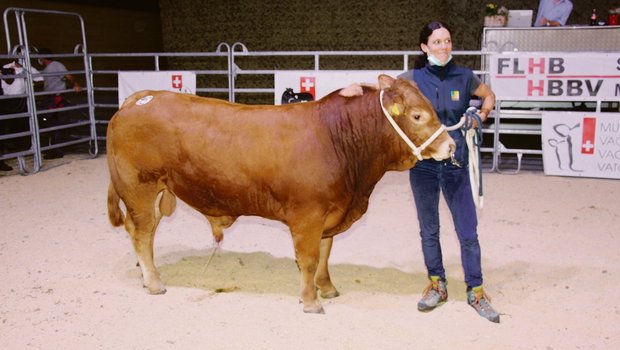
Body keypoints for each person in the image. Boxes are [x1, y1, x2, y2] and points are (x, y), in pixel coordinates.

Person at [398, 21, 500, 323]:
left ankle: (476, 291)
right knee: (429, 231)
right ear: (424, 47)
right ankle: (437, 286)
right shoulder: (412, 80)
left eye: (447, 41)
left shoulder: (465, 76)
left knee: (467, 232)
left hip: (456, 166)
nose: (444, 46)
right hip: (423, 168)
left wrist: (480, 114)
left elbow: (489, 95)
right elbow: (382, 94)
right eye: (437, 42)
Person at [37, 48, 82, 159]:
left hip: (56, 98)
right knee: (50, 122)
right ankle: (55, 148)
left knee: (53, 122)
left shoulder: (56, 65)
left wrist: (75, 84)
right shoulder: (47, 69)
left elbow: (68, 76)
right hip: (49, 98)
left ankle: (57, 150)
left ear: (43, 57)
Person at [1, 60, 44, 171]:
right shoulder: (5, 66)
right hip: (5, 99)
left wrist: (29, 83)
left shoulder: (28, 67)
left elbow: (40, 79)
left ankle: (19, 151)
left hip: (21, 100)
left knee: (21, 126)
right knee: (5, 128)